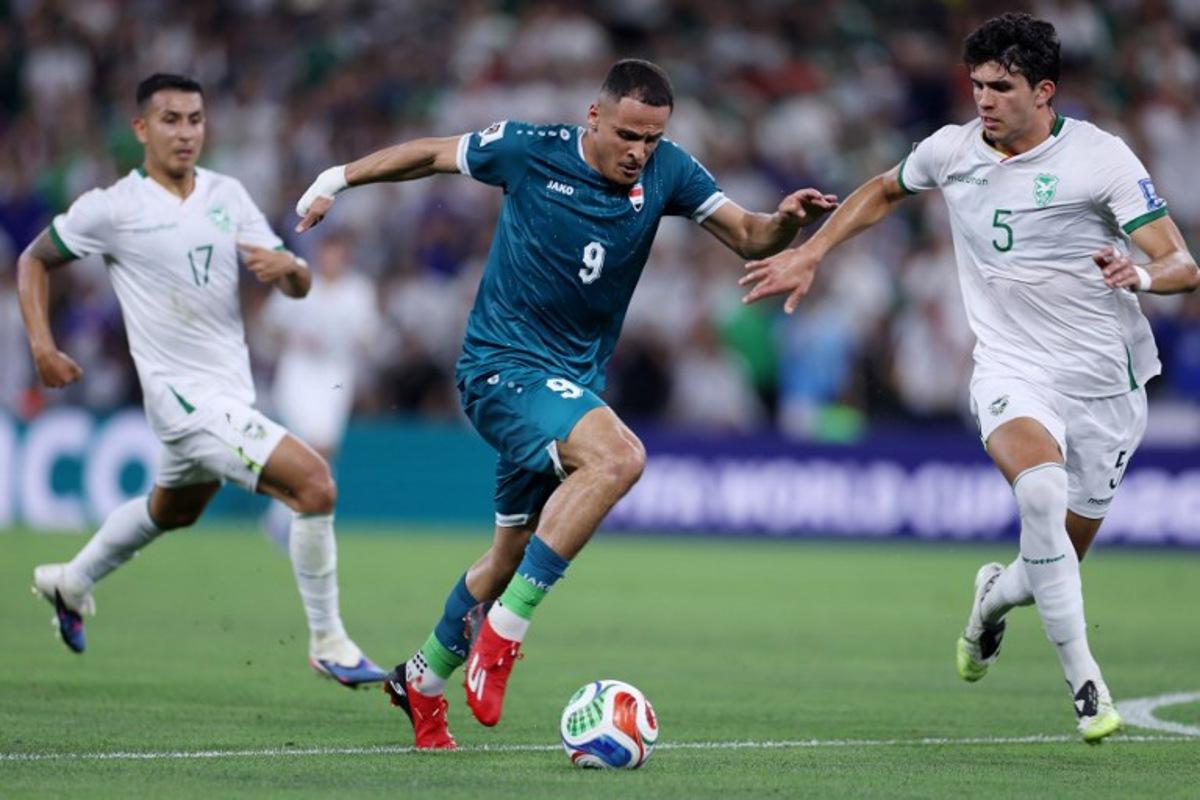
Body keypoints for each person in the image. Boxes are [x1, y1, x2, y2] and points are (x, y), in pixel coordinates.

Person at [295, 58, 837, 748]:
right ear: (595, 117)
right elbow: (431, 154)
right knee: (619, 458)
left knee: (505, 557)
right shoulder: (528, 150)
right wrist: (335, 179)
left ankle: (421, 681)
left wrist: (786, 222)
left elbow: (752, 235)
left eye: (652, 138)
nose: (639, 152)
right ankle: (503, 637)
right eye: (628, 135)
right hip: (500, 369)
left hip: (569, 387)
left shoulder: (669, 171)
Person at [740, 13, 1200, 743]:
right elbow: (883, 191)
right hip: (1012, 369)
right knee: (1041, 493)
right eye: (978, 84)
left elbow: (1182, 262)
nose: (984, 99)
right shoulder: (951, 150)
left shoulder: (1099, 158)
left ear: (1044, 91)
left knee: (1052, 561)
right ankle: (1087, 685)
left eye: (1003, 87)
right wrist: (814, 252)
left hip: (1107, 388)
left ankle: (989, 600)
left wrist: (1139, 273)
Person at [17, 73, 386, 688]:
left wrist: (289, 268)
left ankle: (71, 581)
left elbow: (298, 284)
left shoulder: (227, 194)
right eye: (171, 120)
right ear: (141, 128)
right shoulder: (112, 208)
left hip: (227, 391)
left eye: (195, 119)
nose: (186, 132)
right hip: (182, 398)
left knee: (172, 510)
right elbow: (34, 259)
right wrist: (42, 345)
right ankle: (329, 641)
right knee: (316, 486)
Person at [259, 231, 380, 548]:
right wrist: (295, 339)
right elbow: (270, 325)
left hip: (335, 374)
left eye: (338, 252)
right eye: (327, 252)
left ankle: (287, 520)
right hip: (298, 371)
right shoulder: (298, 281)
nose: (332, 259)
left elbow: (370, 336)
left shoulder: (358, 291)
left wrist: (357, 342)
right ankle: (297, 522)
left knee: (323, 451)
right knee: (305, 446)